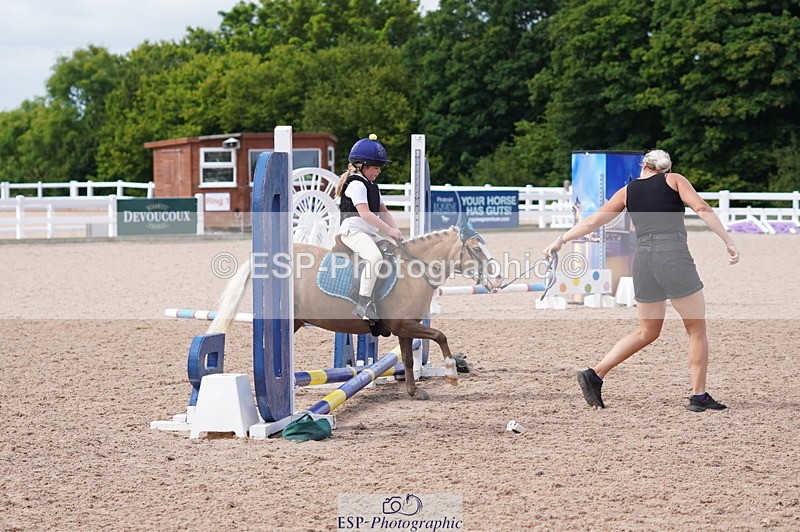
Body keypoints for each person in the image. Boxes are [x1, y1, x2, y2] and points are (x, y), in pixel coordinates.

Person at [544, 149, 740, 412]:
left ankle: (596, 373)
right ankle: (698, 396)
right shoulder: (675, 180)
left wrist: (560, 240)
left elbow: (592, 221)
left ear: (644, 166)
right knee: (696, 329)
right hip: (672, 256)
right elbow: (702, 208)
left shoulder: (628, 191)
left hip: (643, 259)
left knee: (647, 331)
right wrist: (728, 241)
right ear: (667, 168)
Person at [334, 134, 403, 321]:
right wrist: (388, 231)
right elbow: (365, 214)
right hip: (353, 232)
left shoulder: (372, 185)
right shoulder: (355, 184)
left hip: (368, 233)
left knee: (392, 252)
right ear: (362, 166)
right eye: (376, 167)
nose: (379, 171)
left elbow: (383, 211)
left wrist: (396, 232)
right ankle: (363, 303)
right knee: (374, 257)